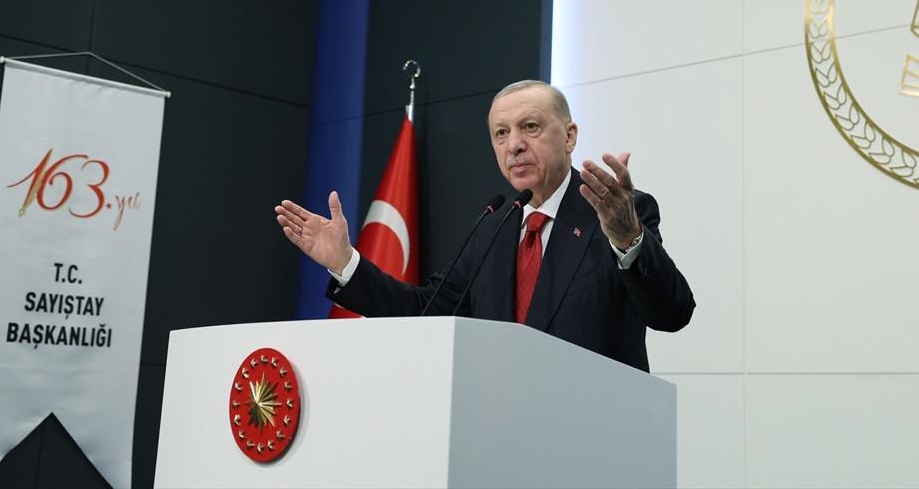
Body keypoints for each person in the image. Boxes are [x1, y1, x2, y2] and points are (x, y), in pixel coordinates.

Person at [276, 80, 695, 371]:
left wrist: (628, 237)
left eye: (530, 127)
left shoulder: (620, 215)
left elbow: (672, 313)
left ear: (569, 137)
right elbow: (425, 311)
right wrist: (345, 262)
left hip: (597, 439)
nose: (514, 145)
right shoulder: (495, 228)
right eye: (501, 133)